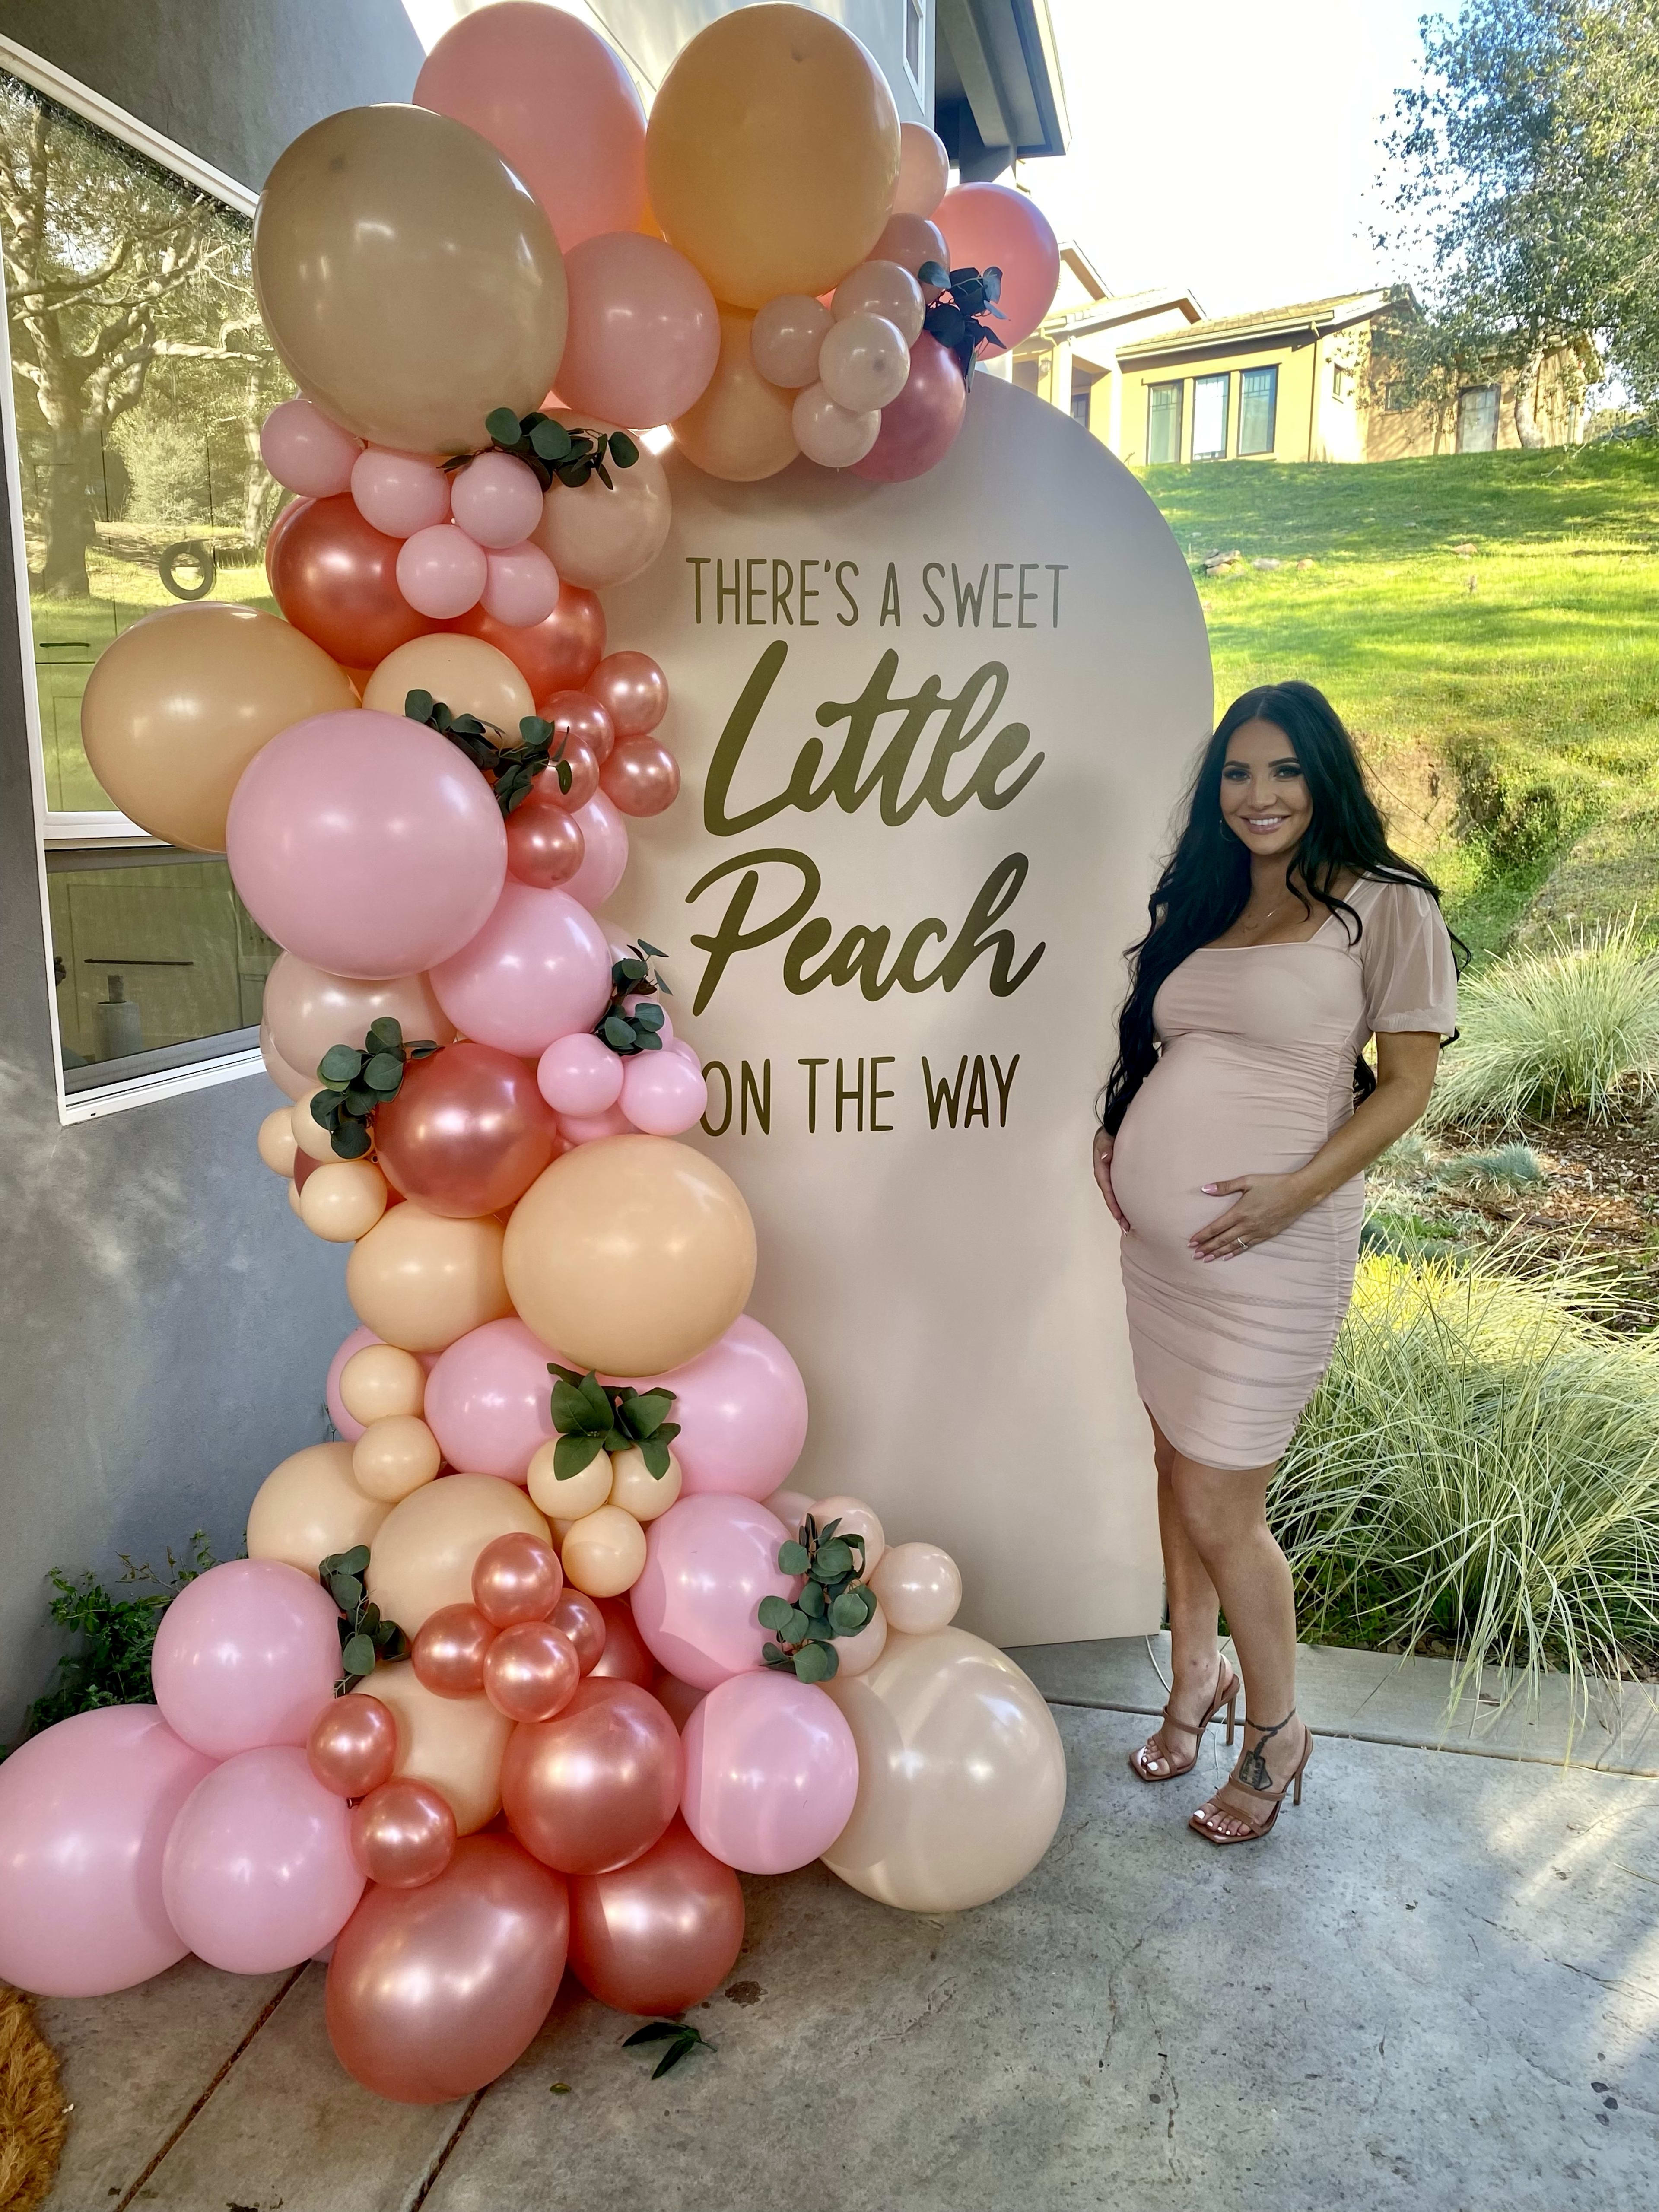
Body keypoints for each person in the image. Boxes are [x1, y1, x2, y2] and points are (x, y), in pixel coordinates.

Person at [1093, 681, 1458, 1845]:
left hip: (1278, 1243)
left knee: (1221, 1493)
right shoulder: (1211, 898)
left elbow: (1405, 1084)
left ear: (1326, 779)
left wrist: (1294, 1191)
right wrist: (1121, 1140)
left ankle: (1278, 1730)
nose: (1261, 796)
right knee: (1172, 1455)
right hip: (1170, 1257)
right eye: (1239, 774)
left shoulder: (1384, 905)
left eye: (1285, 772)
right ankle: (1194, 1674)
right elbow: (1168, 1041)